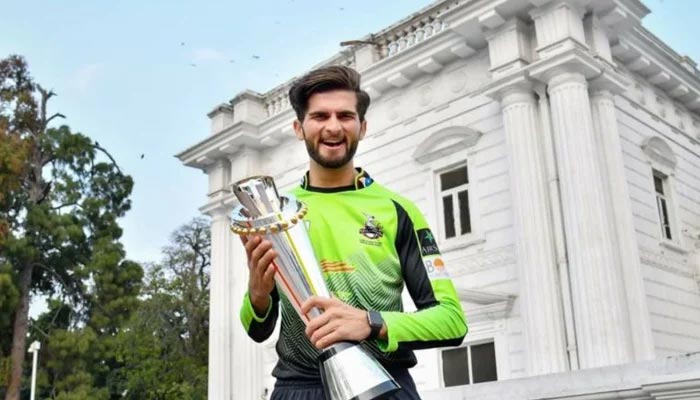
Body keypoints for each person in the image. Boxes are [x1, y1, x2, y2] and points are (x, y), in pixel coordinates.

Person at [239, 65, 468, 399]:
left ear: (362, 127)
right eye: (319, 116)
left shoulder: (397, 209)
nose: (333, 127)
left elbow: (451, 322)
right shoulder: (277, 215)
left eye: (345, 116)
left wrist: (372, 323)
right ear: (299, 128)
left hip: (384, 385)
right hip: (299, 388)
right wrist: (258, 296)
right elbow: (257, 329)